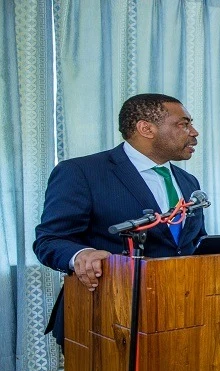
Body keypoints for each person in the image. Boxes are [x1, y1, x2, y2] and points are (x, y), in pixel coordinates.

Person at [34, 93, 207, 347]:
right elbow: (50, 240)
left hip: (176, 315)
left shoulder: (188, 182)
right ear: (146, 128)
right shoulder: (82, 173)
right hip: (105, 316)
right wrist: (81, 254)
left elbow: (194, 242)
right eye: (183, 124)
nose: (194, 132)